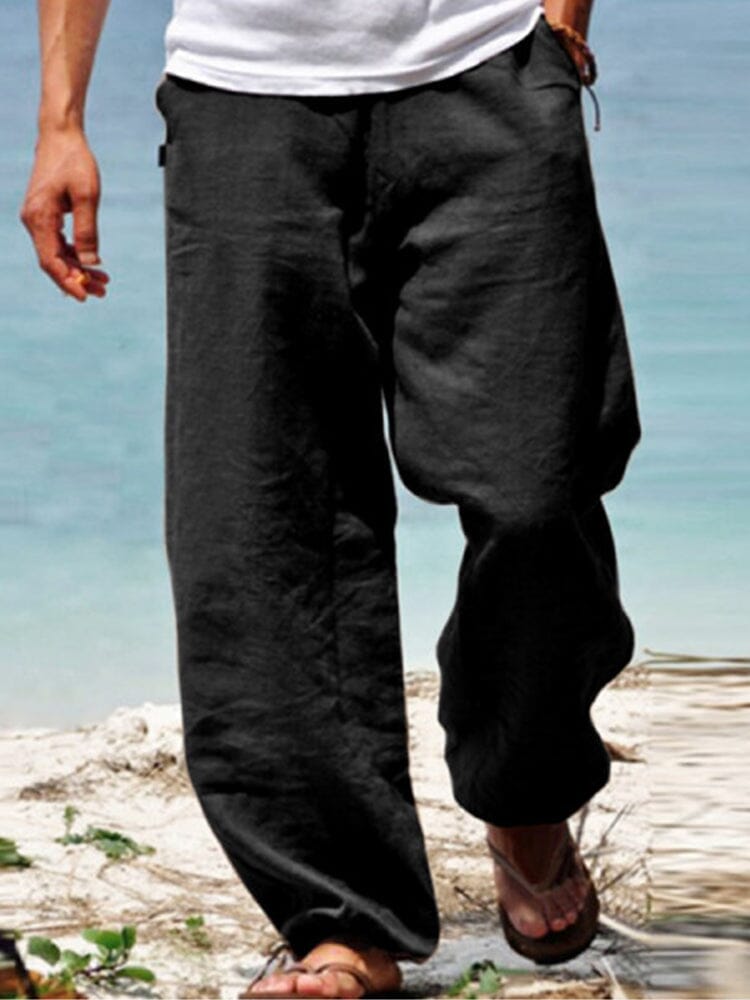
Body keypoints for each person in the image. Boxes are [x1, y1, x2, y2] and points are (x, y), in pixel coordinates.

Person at [21, 0, 641, 995]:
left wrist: (561, 24)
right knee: (266, 520)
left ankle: (525, 783)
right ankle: (342, 917)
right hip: (242, 101)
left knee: (539, 482)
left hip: (485, 66)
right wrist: (61, 119)